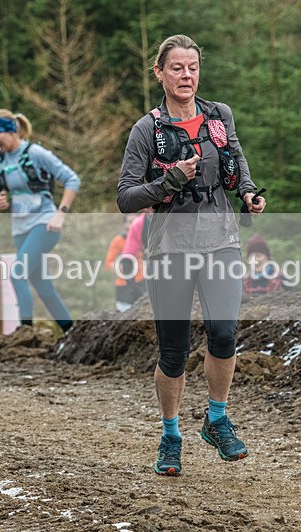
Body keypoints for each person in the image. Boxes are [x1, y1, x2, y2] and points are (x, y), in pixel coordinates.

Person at [117, 35, 265, 476]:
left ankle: (216, 420)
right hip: (170, 249)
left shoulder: (220, 116)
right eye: (177, 68)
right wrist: (167, 183)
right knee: (175, 353)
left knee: (223, 333)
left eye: (193, 67)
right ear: (160, 73)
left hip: (221, 241)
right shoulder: (147, 130)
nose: (186, 75)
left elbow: (238, 164)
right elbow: (126, 197)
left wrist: (251, 194)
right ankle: (170, 434)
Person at [0, 109, 79, 333]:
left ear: (11, 131)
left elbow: (72, 179)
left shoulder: (36, 153)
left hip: (45, 223)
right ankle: (71, 332)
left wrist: (60, 214)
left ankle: (24, 332)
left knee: (17, 274)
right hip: (19, 228)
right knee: (43, 286)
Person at [105, 213, 145, 312]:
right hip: (124, 285)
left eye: (135, 221)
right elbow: (108, 263)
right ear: (125, 225)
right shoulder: (118, 241)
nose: (133, 224)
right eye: (130, 222)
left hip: (143, 282)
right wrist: (123, 267)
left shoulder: (145, 238)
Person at [242, 233, 283, 298]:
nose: (255, 260)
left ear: (268, 257)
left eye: (258, 256)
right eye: (251, 257)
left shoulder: (282, 280)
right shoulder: (242, 284)